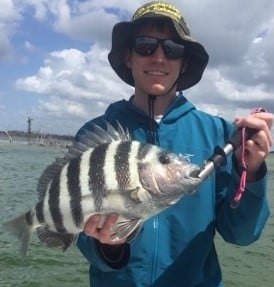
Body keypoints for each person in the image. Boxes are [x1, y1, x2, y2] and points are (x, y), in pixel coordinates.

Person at [75, 1, 273, 286]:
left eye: (172, 49)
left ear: (184, 63)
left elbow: (241, 235)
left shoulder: (219, 134)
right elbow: (78, 224)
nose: (158, 57)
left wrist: (252, 173)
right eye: (145, 45)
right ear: (129, 56)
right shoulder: (95, 134)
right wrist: (108, 247)